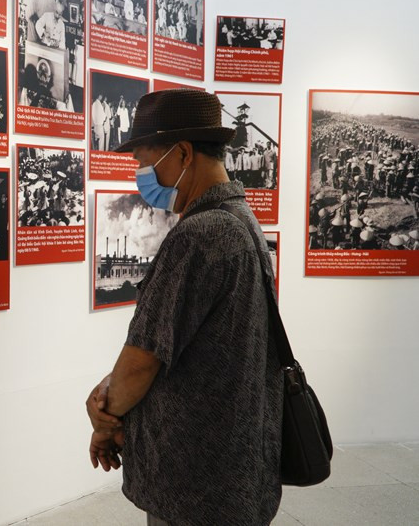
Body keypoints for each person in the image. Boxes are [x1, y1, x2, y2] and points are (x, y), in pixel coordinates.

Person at [86, 89, 282, 525]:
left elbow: (143, 359)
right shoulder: (240, 219)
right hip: (235, 465)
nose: (140, 172)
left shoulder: (200, 234)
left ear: (183, 153)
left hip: (196, 480)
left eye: (143, 159)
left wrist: (104, 416)